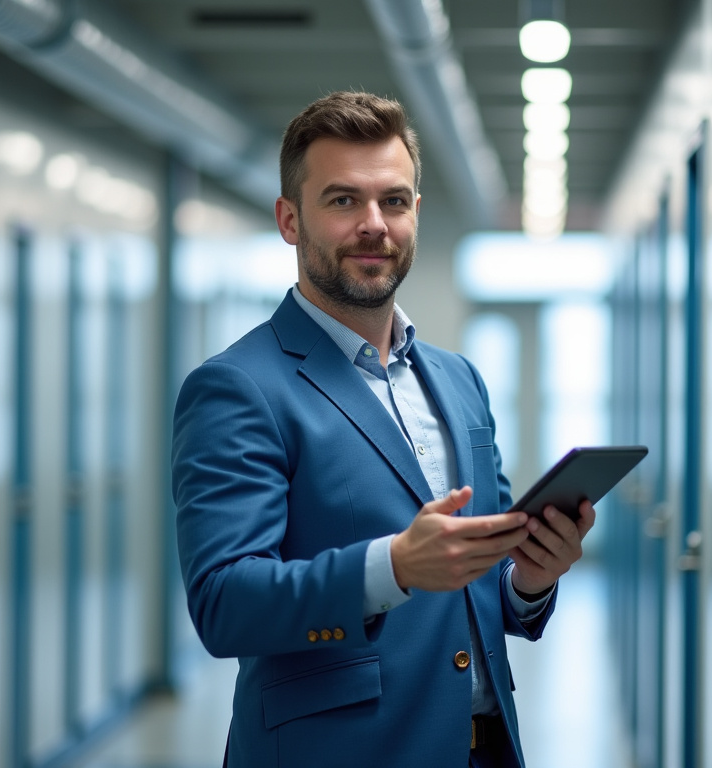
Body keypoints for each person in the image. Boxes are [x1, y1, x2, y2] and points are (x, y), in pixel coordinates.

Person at [172, 91, 596, 768]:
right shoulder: (239, 386)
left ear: (415, 215)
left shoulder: (459, 380)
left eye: (394, 201)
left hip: (484, 750)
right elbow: (224, 603)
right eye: (343, 201)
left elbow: (485, 580)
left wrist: (530, 578)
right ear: (289, 219)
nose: (374, 224)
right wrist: (392, 567)